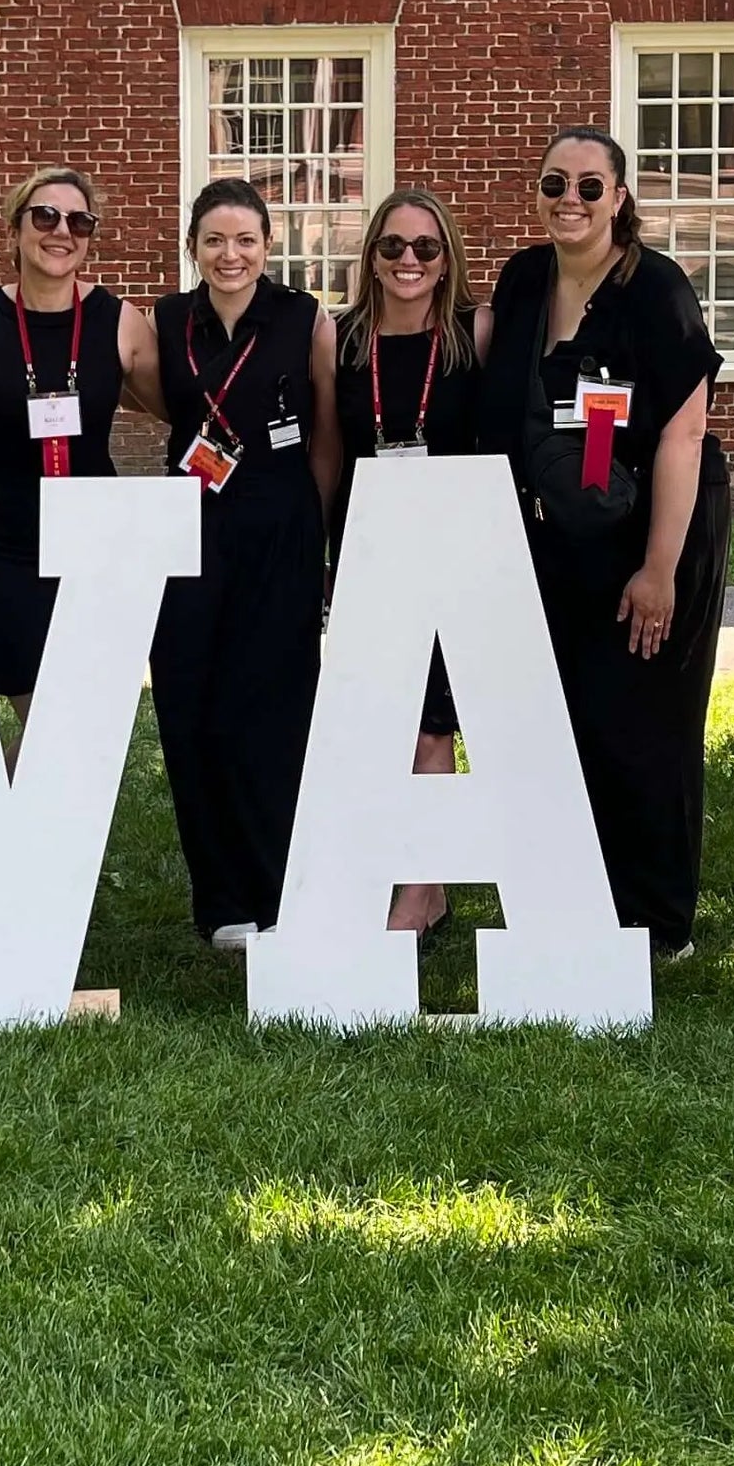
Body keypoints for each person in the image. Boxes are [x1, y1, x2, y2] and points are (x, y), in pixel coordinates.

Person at [480, 126, 732, 966]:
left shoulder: (655, 289)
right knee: (573, 716)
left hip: (653, 531)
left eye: (591, 187)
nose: (571, 202)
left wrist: (659, 569)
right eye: (555, 184)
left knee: (647, 721)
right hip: (559, 533)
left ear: (620, 198)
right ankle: (583, 899)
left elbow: (685, 434)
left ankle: (659, 924)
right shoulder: (523, 280)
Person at [139, 176, 340, 953]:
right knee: (193, 707)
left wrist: (313, 528)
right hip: (188, 528)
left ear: (268, 246)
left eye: (246, 240)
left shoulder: (304, 318)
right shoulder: (161, 323)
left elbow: (327, 432)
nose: (232, 254)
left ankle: (279, 888)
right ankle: (221, 900)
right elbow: (163, 404)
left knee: (275, 706)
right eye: (215, 240)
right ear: (193, 246)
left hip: (280, 522)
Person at [0, 166, 154, 706]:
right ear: (15, 229)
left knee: (83, 708)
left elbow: (179, 407)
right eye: (45, 216)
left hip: (91, 533)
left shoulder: (122, 322)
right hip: (0, 536)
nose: (62, 231)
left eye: (79, 221)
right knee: (34, 705)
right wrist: (3, 429)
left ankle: (2, 791)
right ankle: (3, 788)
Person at [332, 189, 482, 937]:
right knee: (380, 720)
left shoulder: (474, 335)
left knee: (431, 725)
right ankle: (411, 869)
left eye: (425, 247)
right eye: (392, 247)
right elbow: (331, 452)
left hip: (454, 556)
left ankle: (422, 891)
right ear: (371, 258)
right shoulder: (342, 340)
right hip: (368, 551)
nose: (409, 261)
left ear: (446, 256)